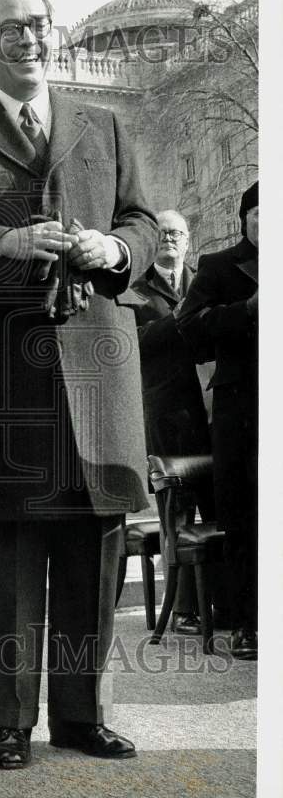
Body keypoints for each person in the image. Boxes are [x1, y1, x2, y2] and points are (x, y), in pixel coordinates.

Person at [0, 0, 157, 770]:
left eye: (38, 24)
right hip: (7, 369)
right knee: (16, 550)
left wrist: (117, 249)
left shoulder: (106, 125)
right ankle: (13, 720)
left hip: (100, 365)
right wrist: (2, 242)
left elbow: (143, 221)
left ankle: (82, 717)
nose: (28, 39)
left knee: (96, 546)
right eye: (10, 29)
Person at [176, 182, 258, 661]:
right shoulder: (219, 265)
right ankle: (249, 623)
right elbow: (189, 328)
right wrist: (245, 310)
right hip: (243, 411)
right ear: (244, 218)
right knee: (247, 515)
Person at [132, 210, 215, 636]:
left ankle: (220, 601)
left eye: (177, 233)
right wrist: (179, 318)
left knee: (220, 508)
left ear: (187, 240)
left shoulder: (204, 281)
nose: (170, 239)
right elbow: (134, 344)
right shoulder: (134, 288)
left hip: (212, 416)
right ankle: (183, 610)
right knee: (176, 515)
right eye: (162, 233)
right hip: (166, 419)